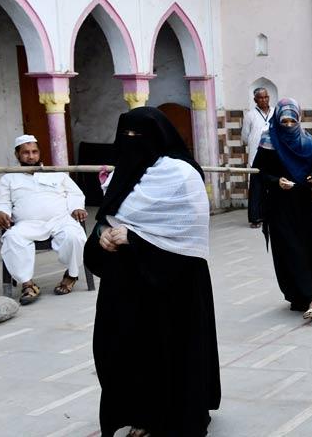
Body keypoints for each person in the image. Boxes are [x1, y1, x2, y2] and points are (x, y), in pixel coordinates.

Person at [84, 107, 220, 437]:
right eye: (126, 136)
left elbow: (189, 231)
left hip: (173, 286)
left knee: (169, 350)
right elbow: (108, 217)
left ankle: (171, 417)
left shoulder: (181, 174)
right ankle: (139, 414)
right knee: (122, 348)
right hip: (126, 284)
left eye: (139, 136)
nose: (132, 143)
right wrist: (102, 235)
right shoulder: (122, 174)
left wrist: (135, 239)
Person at [254, 98, 312, 320]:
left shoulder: (306, 141)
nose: (288, 125)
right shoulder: (268, 141)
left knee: (309, 248)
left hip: (303, 202)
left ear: (298, 119)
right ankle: (306, 298)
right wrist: (276, 181)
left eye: (292, 121)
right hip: (279, 205)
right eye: (284, 121)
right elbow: (259, 172)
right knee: (290, 250)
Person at [0, 134, 87, 304]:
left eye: (34, 152)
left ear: (39, 153)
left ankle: (71, 275)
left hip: (60, 221)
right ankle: (28, 284)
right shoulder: (8, 178)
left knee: (75, 236)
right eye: (26, 152)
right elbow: (2, 202)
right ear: (17, 155)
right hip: (27, 224)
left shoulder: (56, 174)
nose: (31, 156)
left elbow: (75, 194)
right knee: (12, 238)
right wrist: (0, 212)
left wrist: (77, 208)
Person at [241, 87, 274, 228]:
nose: (264, 100)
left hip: (273, 155)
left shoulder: (274, 112)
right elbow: (245, 137)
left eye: (266, 97)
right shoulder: (250, 115)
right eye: (261, 98)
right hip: (256, 156)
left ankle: (272, 215)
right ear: (255, 100)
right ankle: (256, 218)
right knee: (256, 187)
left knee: (272, 185)